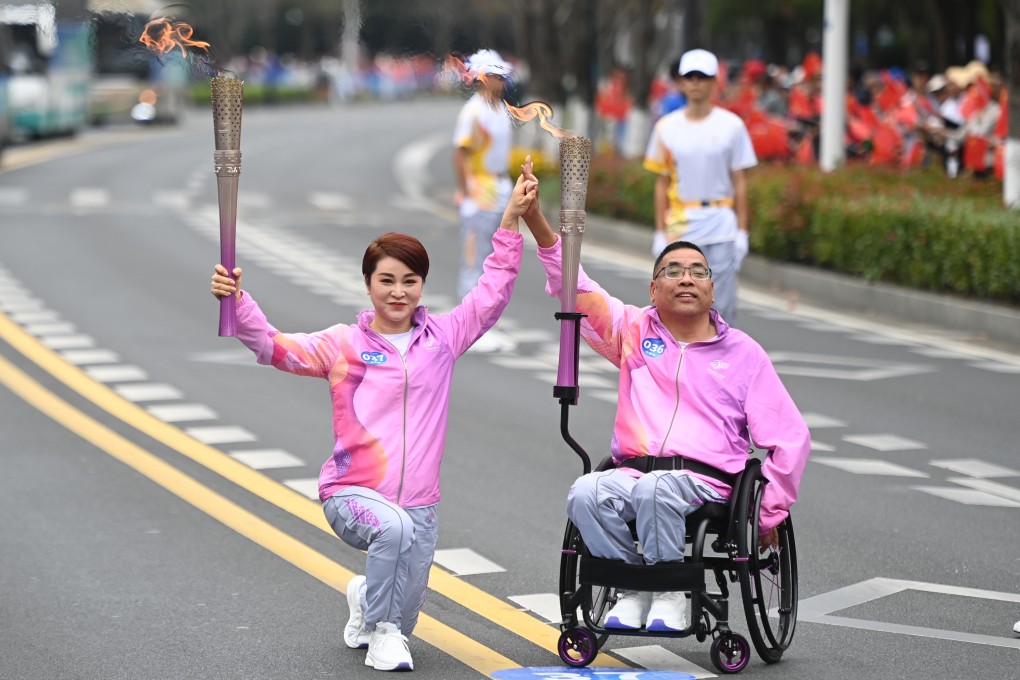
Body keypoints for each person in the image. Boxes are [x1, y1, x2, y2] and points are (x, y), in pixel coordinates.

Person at [209, 163, 541, 671]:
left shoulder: (443, 340)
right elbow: (276, 347)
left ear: (421, 286)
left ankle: (371, 599)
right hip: (352, 494)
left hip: (420, 506)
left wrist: (511, 221)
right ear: (368, 285)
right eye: (386, 280)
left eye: (409, 281)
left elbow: (491, 294)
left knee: (409, 609)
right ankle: (383, 631)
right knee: (392, 548)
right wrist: (238, 301)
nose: (398, 291)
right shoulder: (343, 345)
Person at [516, 172, 810, 631]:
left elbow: (790, 438)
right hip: (633, 473)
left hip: (707, 481)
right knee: (586, 493)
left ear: (713, 289)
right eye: (672, 271)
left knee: (658, 490)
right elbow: (576, 286)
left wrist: (767, 510)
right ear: (654, 290)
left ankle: (673, 594)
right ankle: (634, 590)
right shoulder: (633, 331)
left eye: (698, 271)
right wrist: (536, 220)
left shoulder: (744, 355)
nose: (686, 278)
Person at [644, 48, 757, 325]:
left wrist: (742, 232)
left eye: (702, 77)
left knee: (723, 307)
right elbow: (662, 184)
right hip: (681, 225)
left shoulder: (732, 126)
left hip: (720, 224)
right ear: (681, 82)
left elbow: (740, 182)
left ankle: (723, 364)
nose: (695, 83)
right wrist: (659, 231)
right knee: (674, 303)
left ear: (714, 82)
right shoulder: (666, 128)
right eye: (690, 77)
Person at [453, 49, 514, 301]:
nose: (503, 82)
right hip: (480, 188)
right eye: (497, 77)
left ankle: (487, 317)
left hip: (501, 185)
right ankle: (468, 316)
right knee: (475, 256)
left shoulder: (501, 110)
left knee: (498, 257)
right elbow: (460, 153)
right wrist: (467, 194)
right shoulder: (473, 112)